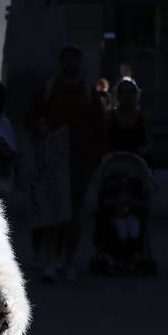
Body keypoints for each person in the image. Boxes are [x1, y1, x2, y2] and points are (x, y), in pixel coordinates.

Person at [29, 45, 104, 282]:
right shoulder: (49, 88)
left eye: (75, 60)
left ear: (79, 63)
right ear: (61, 63)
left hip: (79, 161)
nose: (70, 64)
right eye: (67, 60)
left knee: (73, 214)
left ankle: (67, 259)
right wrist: (41, 130)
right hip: (54, 159)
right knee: (53, 211)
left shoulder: (87, 91)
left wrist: (95, 160)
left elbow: (99, 127)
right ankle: (48, 258)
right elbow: (31, 115)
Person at [105, 77, 154, 161]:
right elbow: (103, 141)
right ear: (118, 95)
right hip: (113, 163)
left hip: (139, 163)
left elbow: (150, 142)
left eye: (130, 92)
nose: (126, 96)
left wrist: (143, 151)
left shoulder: (145, 117)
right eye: (123, 92)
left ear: (136, 95)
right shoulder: (109, 117)